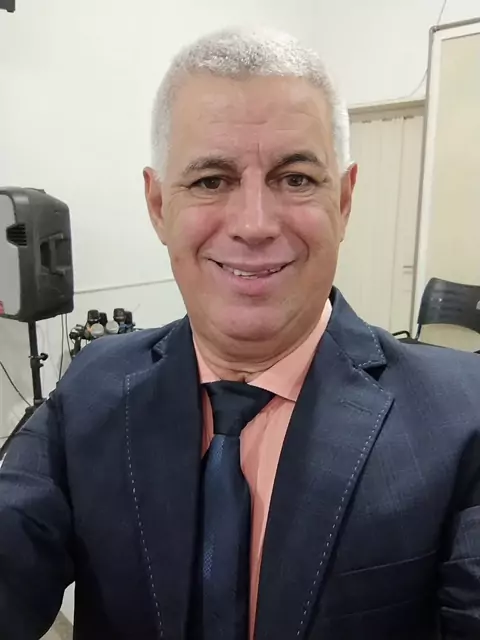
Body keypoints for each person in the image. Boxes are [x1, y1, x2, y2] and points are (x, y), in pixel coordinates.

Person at [1, 26, 480, 640]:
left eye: (296, 178)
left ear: (344, 200)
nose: (254, 224)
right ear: (159, 206)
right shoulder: (93, 386)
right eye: (211, 181)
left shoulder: (461, 417)